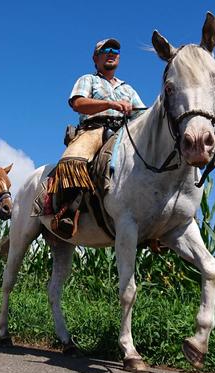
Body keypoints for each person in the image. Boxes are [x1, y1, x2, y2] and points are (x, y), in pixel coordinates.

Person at [49, 38, 145, 238]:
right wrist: (110, 104)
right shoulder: (88, 79)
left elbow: (141, 115)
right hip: (94, 130)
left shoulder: (128, 89)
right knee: (72, 160)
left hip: (124, 132)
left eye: (116, 51)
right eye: (106, 49)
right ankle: (68, 211)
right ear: (96, 58)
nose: (111, 53)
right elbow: (78, 103)